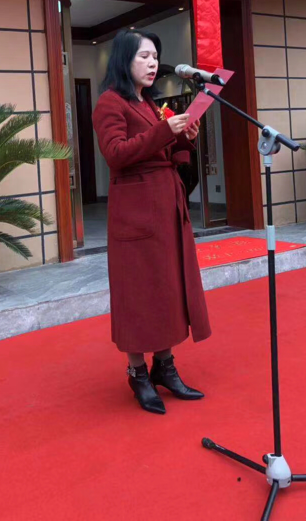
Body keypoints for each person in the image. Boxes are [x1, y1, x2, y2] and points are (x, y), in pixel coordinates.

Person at [92, 29, 211, 415]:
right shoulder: (110, 103)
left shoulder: (147, 103)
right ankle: (138, 373)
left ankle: (165, 366)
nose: (152, 63)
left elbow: (165, 152)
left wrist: (184, 137)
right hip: (136, 213)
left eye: (155, 57)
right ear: (123, 60)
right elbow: (115, 153)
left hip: (164, 210)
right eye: (143, 56)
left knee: (166, 288)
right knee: (138, 293)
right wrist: (164, 131)